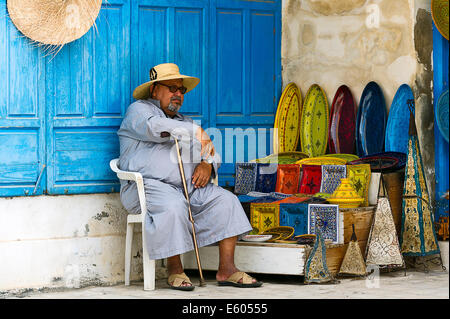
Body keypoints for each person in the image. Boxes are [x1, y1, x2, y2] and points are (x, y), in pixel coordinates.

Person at [117, 63, 262, 290]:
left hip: (187, 188)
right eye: (172, 88)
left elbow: (212, 152)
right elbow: (154, 127)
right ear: (155, 90)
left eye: (181, 90)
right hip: (147, 187)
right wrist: (196, 132)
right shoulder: (139, 110)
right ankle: (175, 270)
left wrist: (206, 164)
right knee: (173, 205)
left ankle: (227, 269)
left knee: (226, 200)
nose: (178, 94)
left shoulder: (185, 121)